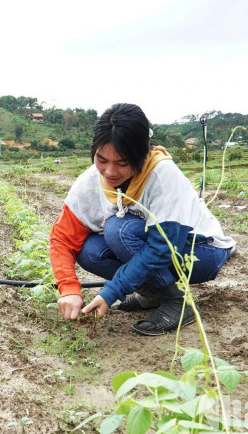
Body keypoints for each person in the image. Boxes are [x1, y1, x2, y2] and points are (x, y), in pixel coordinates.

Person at [49, 103, 236, 336]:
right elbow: (62, 239)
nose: (109, 171)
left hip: (201, 252)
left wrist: (112, 291)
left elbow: (163, 248)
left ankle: (178, 302)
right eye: (101, 159)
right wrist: (68, 289)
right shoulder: (89, 182)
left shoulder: (162, 174)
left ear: (141, 155)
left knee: (119, 230)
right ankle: (153, 295)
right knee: (89, 251)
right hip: (162, 253)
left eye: (122, 163)